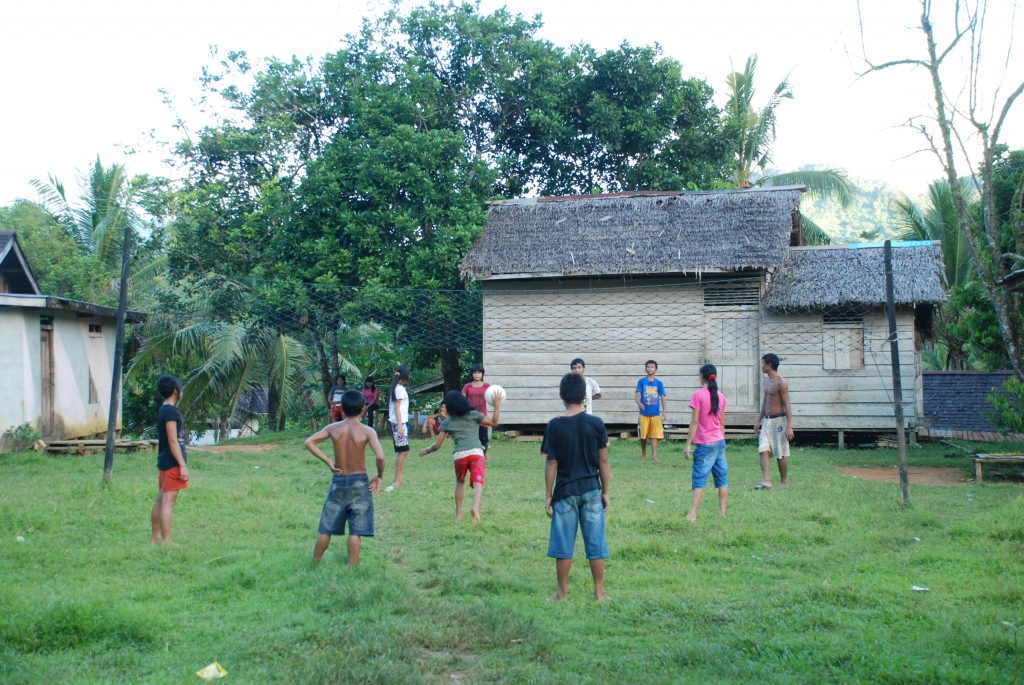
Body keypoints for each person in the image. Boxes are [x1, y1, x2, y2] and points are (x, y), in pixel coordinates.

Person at [542, 372, 612, 602]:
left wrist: (548, 494)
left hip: (564, 493)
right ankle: (599, 593)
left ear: (561, 395)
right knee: (595, 542)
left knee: (563, 543)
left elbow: (552, 462)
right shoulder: (596, 424)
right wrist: (605, 491)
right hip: (592, 489)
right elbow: (603, 461)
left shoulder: (554, 426)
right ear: (584, 396)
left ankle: (562, 593)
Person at [303, 390, 386, 566]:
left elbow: (309, 442)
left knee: (326, 528)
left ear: (342, 409)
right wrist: (379, 476)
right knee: (355, 530)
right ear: (363, 409)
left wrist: (328, 461)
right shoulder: (367, 431)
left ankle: (313, 564)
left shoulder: (333, 428)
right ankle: (351, 568)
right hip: (359, 482)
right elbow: (380, 457)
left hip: (338, 481)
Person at [419, 390, 501, 522]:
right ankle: (475, 507)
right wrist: (497, 405)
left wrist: (427, 450)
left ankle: (458, 514)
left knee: (460, 482)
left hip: (460, 456)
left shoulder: (448, 422)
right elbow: (494, 422)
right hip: (476, 454)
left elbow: (438, 445)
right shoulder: (474, 415)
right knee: (478, 482)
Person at [683, 364, 728, 522]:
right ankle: (722, 512)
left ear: (702, 376)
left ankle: (692, 514)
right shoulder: (721, 396)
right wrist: (722, 443)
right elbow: (722, 424)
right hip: (719, 441)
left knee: (699, 479)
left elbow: (694, 422)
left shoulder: (698, 395)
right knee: (721, 478)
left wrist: (688, 444)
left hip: (705, 443)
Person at [151, 375, 188, 544]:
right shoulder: (171, 411)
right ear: (175, 391)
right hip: (172, 462)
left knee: (161, 500)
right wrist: (182, 465)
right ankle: (166, 540)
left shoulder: (163, 409)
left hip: (164, 460)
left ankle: (156, 537)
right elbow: (173, 441)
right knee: (168, 502)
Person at [753, 353, 794, 489]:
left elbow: (787, 404)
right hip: (767, 420)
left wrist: (789, 426)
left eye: (763, 363)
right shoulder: (766, 381)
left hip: (779, 422)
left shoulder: (781, 383)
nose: (761, 366)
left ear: (769, 365)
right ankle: (767, 481)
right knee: (763, 450)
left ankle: (784, 481)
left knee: (779, 453)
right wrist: (759, 421)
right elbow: (765, 402)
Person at [635, 360, 667, 463]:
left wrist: (664, 411)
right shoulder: (641, 381)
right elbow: (637, 395)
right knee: (643, 435)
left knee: (655, 435)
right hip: (644, 413)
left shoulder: (659, 383)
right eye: (648, 367)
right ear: (645, 368)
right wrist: (639, 403)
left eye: (652, 367)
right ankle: (644, 453)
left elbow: (662, 397)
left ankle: (654, 455)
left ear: (655, 369)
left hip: (655, 413)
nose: (650, 369)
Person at [387, 364, 412, 489]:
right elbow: (397, 408)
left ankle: (398, 478)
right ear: (405, 375)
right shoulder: (399, 389)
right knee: (403, 451)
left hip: (399, 422)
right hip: (399, 423)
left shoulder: (398, 388)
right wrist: (400, 427)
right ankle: (396, 480)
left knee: (402, 451)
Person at [462, 364, 492, 461]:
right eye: (475, 372)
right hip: (470, 416)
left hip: (483, 416)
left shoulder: (487, 386)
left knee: (484, 438)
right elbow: (462, 399)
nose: (477, 374)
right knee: (471, 437)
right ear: (472, 374)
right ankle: (470, 455)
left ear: (482, 374)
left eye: (479, 372)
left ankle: (484, 454)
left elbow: (492, 397)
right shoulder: (467, 386)